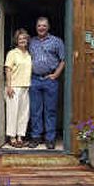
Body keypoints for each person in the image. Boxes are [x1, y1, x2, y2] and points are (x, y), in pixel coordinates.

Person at [28, 17, 65, 149]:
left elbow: (63, 60)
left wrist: (55, 75)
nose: (41, 28)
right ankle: (36, 137)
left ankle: (50, 139)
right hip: (35, 79)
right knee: (35, 110)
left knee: (50, 110)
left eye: (44, 25)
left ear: (48, 27)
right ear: (36, 27)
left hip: (50, 80)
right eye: (39, 26)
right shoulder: (31, 42)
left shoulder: (57, 41)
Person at [4, 28, 32, 148]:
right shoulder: (12, 53)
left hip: (26, 86)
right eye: (20, 39)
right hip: (14, 87)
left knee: (23, 114)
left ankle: (20, 136)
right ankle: (12, 137)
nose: (22, 40)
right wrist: (9, 86)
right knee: (13, 113)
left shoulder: (28, 54)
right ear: (17, 40)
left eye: (24, 38)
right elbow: (8, 69)